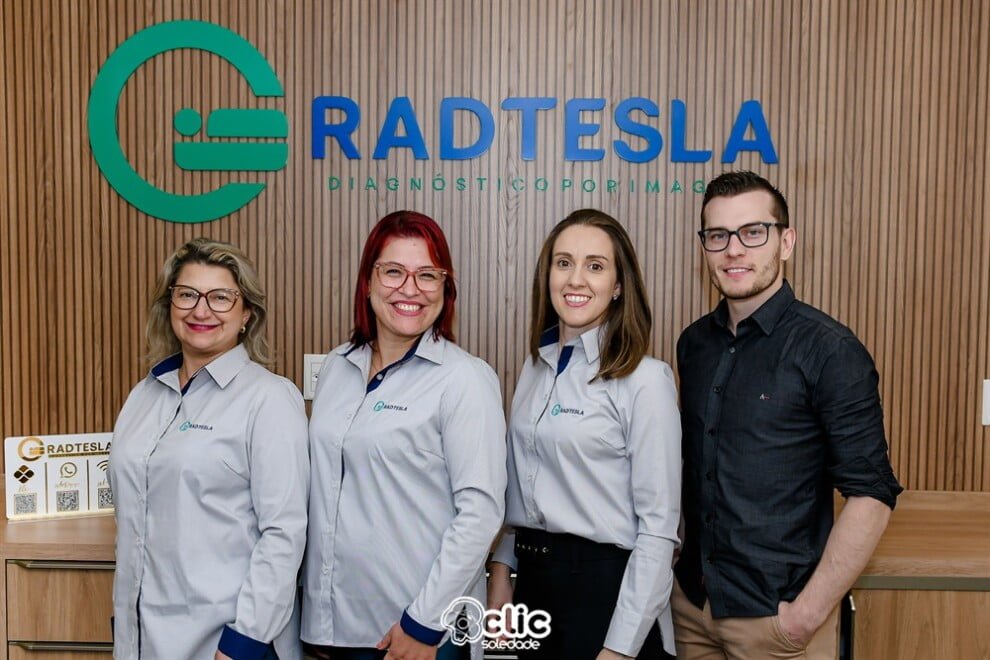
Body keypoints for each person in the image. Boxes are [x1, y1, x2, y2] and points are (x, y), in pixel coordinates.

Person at [673, 171, 904, 659]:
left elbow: (872, 494)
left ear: (786, 242)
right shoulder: (693, 344)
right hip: (692, 611)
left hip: (778, 624)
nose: (734, 250)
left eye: (753, 232)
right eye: (718, 235)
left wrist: (805, 617)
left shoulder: (831, 350)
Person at [302, 211, 507, 660]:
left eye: (427, 275)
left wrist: (422, 623)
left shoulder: (465, 379)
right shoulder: (337, 367)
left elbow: (481, 514)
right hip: (331, 627)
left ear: (445, 289)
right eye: (393, 271)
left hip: (418, 633)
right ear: (367, 282)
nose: (410, 289)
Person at [487, 209, 681, 659]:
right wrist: (502, 572)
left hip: (606, 595)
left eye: (595, 266)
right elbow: (526, 492)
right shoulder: (535, 368)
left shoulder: (645, 380)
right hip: (534, 590)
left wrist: (619, 650)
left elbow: (658, 531)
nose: (576, 279)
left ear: (618, 285)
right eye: (564, 263)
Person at [109, 238, 309, 659]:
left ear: (246, 313)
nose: (201, 311)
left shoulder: (269, 399)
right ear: (169, 305)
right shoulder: (144, 395)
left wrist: (244, 641)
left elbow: (284, 533)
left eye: (220, 297)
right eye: (187, 295)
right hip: (142, 638)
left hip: (227, 641)